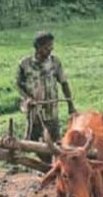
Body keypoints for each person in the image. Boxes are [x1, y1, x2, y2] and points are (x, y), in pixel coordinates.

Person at [16, 31, 75, 159]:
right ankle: (44, 160)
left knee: (55, 142)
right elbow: (19, 85)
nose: (50, 49)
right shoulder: (24, 64)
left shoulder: (55, 62)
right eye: (47, 47)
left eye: (51, 46)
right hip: (34, 112)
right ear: (38, 47)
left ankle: (49, 163)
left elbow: (64, 83)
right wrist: (28, 98)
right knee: (32, 142)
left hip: (51, 111)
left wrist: (70, 104)